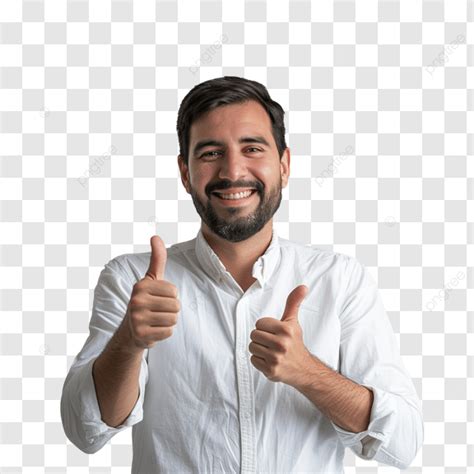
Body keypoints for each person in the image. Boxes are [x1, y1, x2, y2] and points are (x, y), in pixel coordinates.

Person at [60, 76, 423, 473]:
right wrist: (129, 342)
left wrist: (308, 373)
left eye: (252, 148)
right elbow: (86, 431)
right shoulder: (132, 280)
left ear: (284, 165)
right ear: (186, 173)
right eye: (211, 152)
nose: (233, 171)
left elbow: (402, 442)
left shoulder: (340, 279)